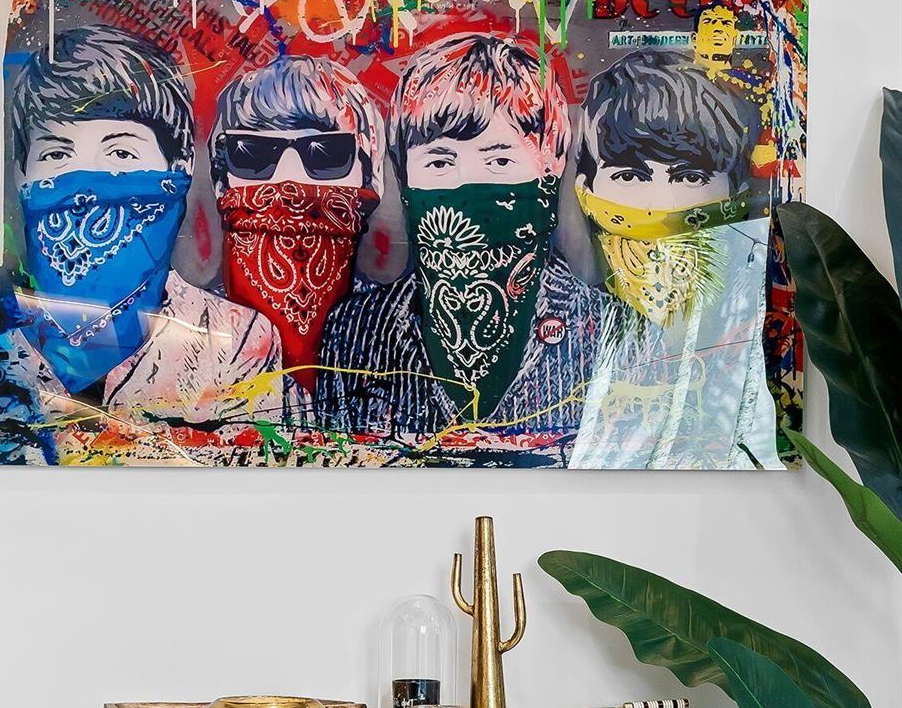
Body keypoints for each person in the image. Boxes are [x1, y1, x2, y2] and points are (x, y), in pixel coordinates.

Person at [0, 25, 281, 464]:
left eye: (121, 154)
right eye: (57, 154)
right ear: (21, 174)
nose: (85, 183)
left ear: (180, 167)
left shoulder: (234, 341)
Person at [315, 32, 618, 462]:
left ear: (549, 168)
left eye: (500, 160)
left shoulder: (608, 329)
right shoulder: (355, 330)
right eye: (440, 161)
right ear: (403, 174)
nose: (467, 184)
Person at [568, 49, 780, 469]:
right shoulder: (569, 315)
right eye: (630, 176)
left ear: (736, 194)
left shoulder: (758, 309)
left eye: (690, 177)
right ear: (585, 191)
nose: (661, 203)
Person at [209, 56, 384, 409]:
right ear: (221, 179)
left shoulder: (395, 331)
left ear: (370, 174)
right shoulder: (189, 326)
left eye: (326, 154)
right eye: (252, 154)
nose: (289, 181)